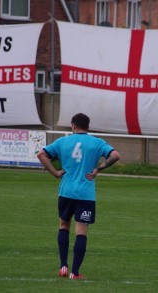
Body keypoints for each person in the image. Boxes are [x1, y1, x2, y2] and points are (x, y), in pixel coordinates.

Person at [37, 113, 120, 280]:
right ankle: (75, 272)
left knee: (63, 226)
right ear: (88, 127)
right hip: (85, 194)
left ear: (73, 126)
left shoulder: (63, 141)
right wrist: (98, 169)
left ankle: (63, 266)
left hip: (66, 191)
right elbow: (115, 155)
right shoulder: (96, 142)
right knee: (81, 231)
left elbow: (41, 154)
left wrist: (55, 173)